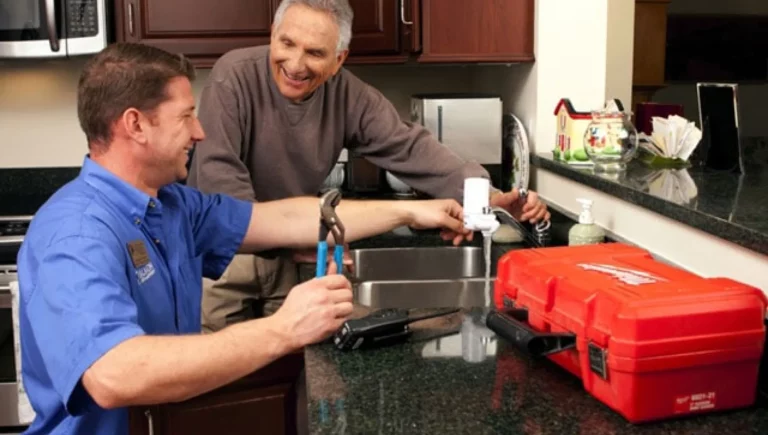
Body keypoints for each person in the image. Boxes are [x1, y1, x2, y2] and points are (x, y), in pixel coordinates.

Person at [15, 42, 472, 435]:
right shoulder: (75, 233)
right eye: (186, 116)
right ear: (135, 125)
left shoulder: (172, 204)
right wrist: (284, 328)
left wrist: (412, 209)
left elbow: (282, 218)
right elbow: (113, 374)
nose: (201, 131)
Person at [186, 0, 551, 332]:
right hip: (224, 263)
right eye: (286, 44)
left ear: (339, 59)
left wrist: (484, 195)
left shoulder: (348, 95)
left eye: (315, 53)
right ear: (273, 35)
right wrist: (288, 243)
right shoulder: (231, 77)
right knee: (221, 390)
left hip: (295, 253)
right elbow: (223, 194)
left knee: (292, 374)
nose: (295, 65)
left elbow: (408, 147)